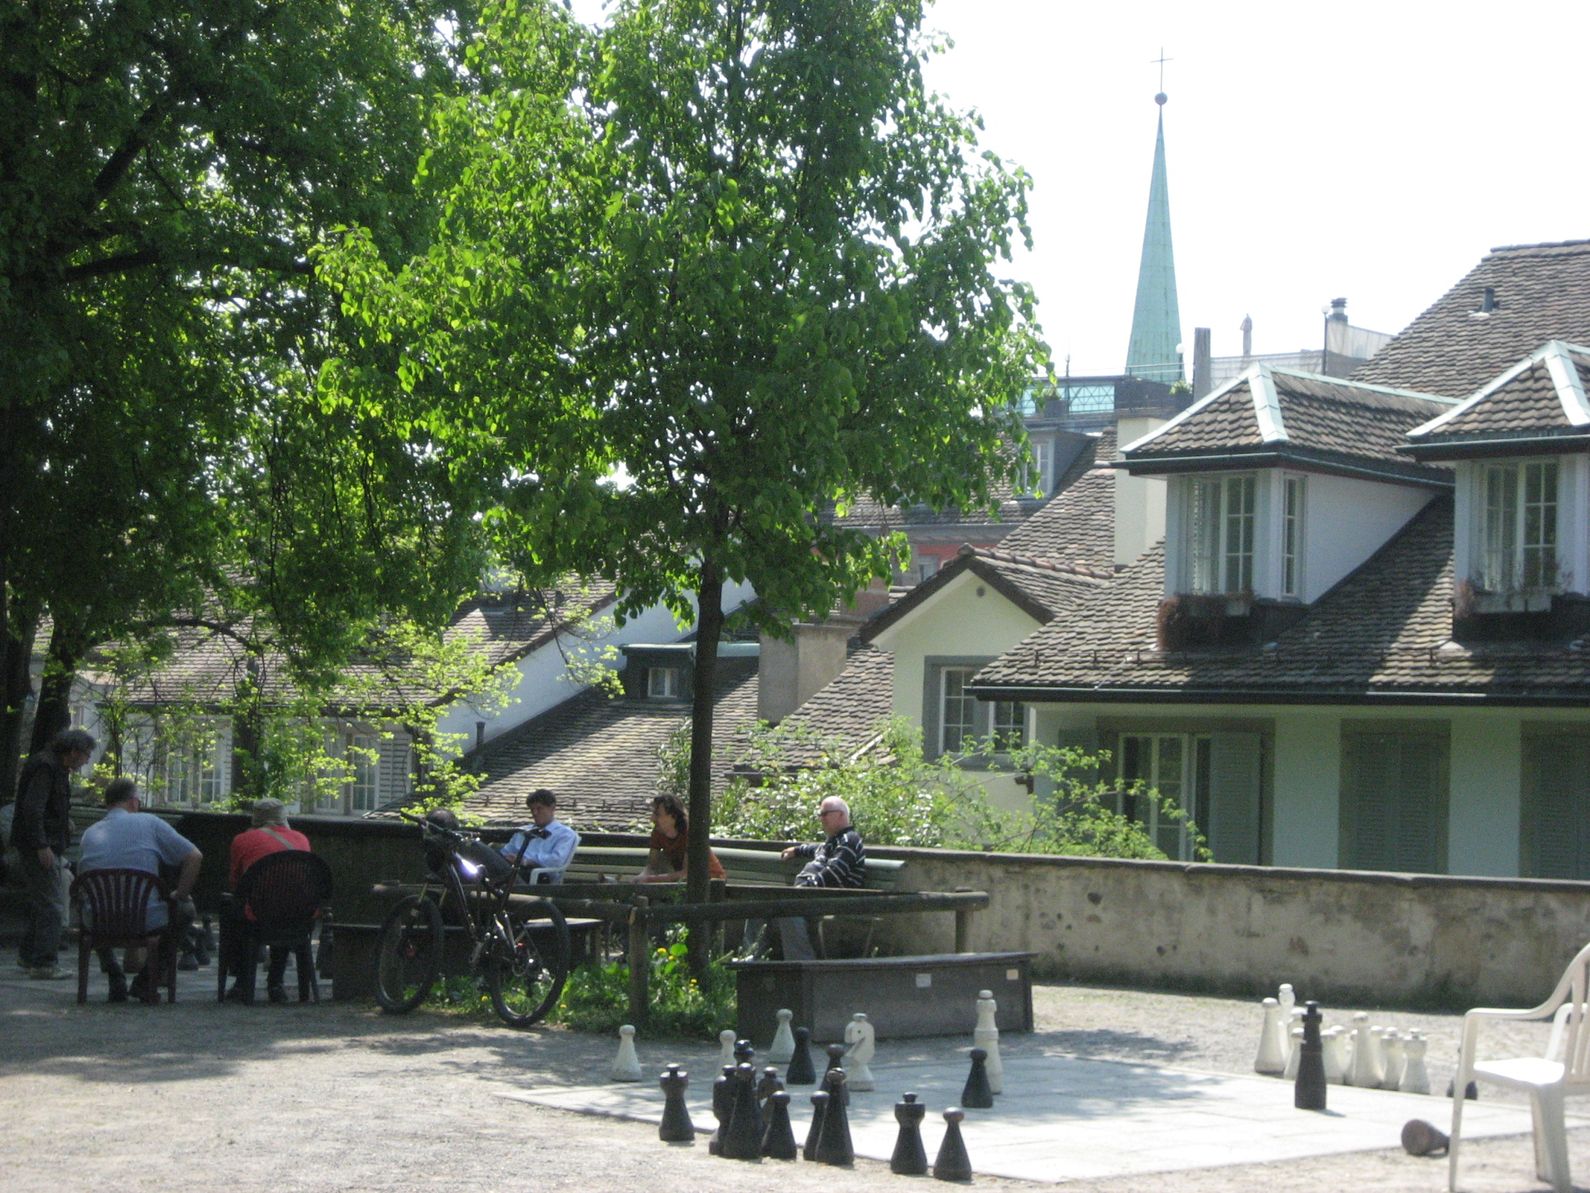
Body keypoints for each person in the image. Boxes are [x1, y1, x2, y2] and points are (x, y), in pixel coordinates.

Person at [77, 778, 202, 1002]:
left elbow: (82, 884)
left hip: (98, 920)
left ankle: (114, 974)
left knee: (90, 906)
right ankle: (145, 981)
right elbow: (194, 856)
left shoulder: (90, 833)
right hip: (143, 920)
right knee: (184, 910)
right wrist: (180, 895)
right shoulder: (150, 823)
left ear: (107, 804)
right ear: (134, 802)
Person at [10, 728, 96, 979]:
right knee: (53, 904)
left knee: (44, 902)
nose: (87, 760)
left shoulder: (54, 767)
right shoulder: (46, 767)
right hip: (38, 846)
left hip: (42, 842)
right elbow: (33, 808)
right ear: (74, 752)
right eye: (86, 754)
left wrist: (62, 822)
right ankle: (44, 963)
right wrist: (41, 845)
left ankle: (29, 955)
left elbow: (43, 807)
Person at [745, 795, 866, 961]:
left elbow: (833, 874)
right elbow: (815, 849)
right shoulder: (831, 842)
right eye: (820, 814)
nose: (821, 819)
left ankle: (801, 962)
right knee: (757, 904)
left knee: (790, 908)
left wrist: (805, 888)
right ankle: (752, 958)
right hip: (811, 895)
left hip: (833, 899)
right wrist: (797, 850)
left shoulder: (849, 840)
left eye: (825, 814)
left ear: (840, 815)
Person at [222, 798, 312, 1004]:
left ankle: (242, 980)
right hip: (298, 917)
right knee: (284, 905)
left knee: (234, 912)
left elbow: (236, 884)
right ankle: (276, 982)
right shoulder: (301, 839)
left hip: (258, 917)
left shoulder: (243, 840)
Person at [636, 794, 725, 883]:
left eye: (657, 814)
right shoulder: (658, 832)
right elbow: (651, 866)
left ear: (673, 816)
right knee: (661, 857)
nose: (652, 819)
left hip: (710, 882)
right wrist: (640, 878)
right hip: (682, 881)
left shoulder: (691, 833)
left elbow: (686, 873)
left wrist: (649, 879)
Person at [499, 789, 579, 882]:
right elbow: (504, 853)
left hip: (539, 878)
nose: (534, 813)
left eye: (539, 808)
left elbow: (556, 861)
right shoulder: (522, 832)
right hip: (510, 872)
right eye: (532, 809)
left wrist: (526, 860)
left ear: (552, 808)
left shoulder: (565, 834)